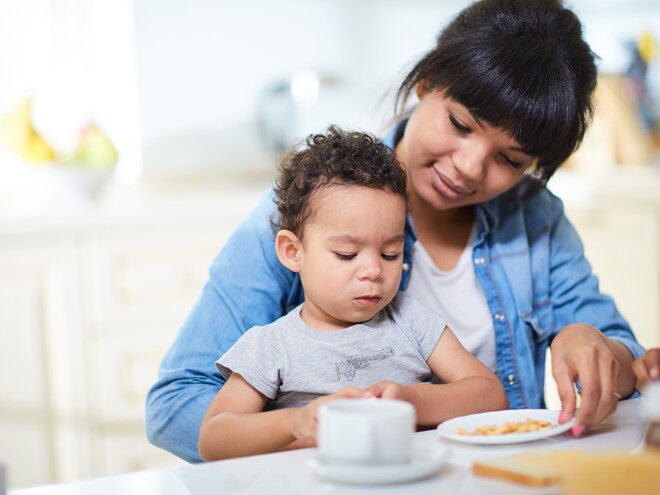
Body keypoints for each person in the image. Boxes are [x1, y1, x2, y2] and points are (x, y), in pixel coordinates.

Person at [146, 0, 645, 463]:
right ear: (427, 83)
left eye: (509, 159)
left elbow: (628, 365)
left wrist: (597, 346)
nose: (470, 167)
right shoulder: (312, 209)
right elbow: (176, 403)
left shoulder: (536, 216)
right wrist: (322, 428)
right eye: (461, 124)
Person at [197, 127, 508, 461]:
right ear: (292, 252)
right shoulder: (270, 346)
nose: (374, 270)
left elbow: (490, 395)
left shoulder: (409, 317)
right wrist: (296, 421)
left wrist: (414, 402)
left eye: (391, 254)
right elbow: (214, 439)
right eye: (347, 254)